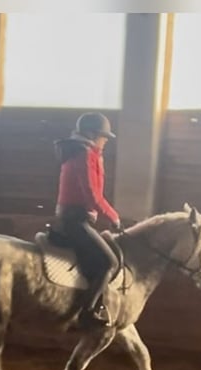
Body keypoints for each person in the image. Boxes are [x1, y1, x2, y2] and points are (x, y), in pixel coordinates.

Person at [53, 112, 122, 327]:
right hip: (76, 220)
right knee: (108, 262)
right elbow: (92, 195)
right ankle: (87, 313)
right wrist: (113, 216)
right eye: (103, 136)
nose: (105, 141)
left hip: (73, 217)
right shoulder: (84, 155)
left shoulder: (80, 152)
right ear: (92, 134)